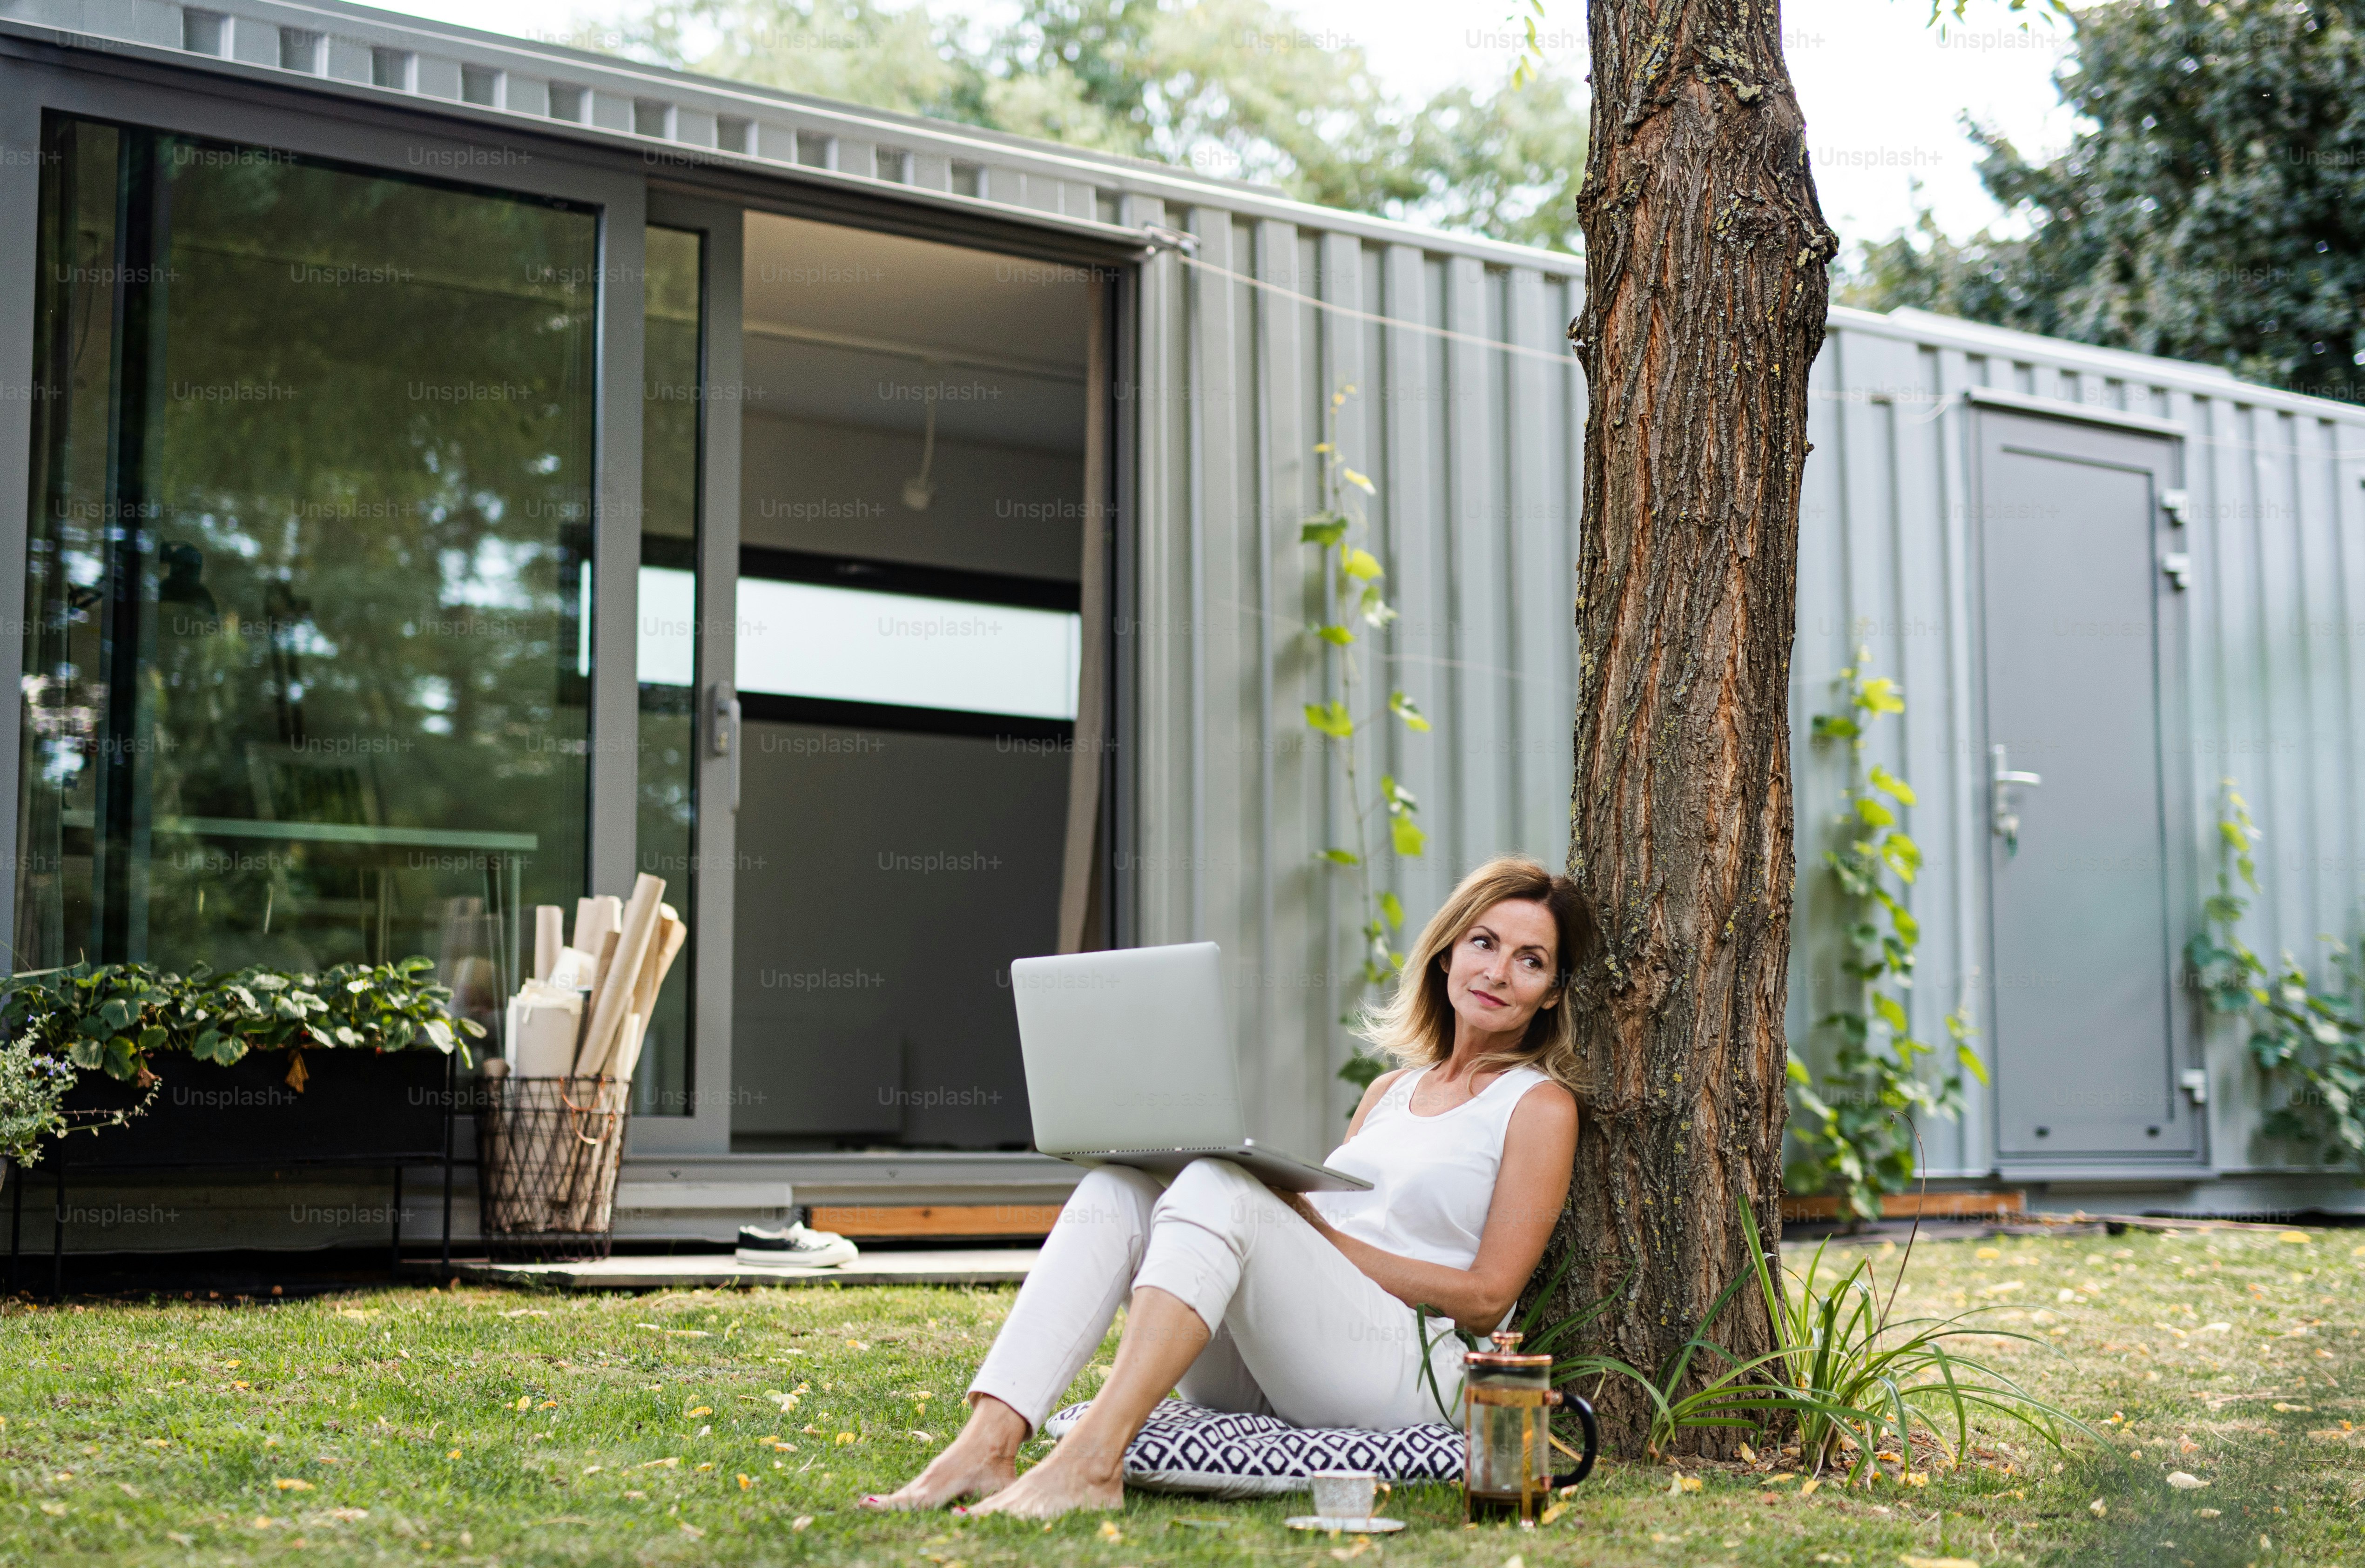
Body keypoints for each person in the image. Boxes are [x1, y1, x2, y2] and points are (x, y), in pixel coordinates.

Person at [861, 855, 1590, 1519]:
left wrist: (1321, 1238)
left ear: (1552, 994)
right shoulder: (1391, 1090)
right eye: (1484, 943)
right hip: (1291, 1361)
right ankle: (987, 1442)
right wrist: (1303, 1223)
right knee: (1120, 1186)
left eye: (1530, 961)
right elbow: (1313, 1237)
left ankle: (1092, 1459)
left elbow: (1490, 1295)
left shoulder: (1536, 1105)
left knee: (1221, 1182)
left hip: (1408, 1369)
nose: (1497, 971)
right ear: (1447, 953)